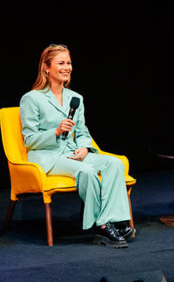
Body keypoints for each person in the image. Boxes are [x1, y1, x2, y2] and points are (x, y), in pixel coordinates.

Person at [19, 44, 134, 248]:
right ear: (46, 68)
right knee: (87, 171)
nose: (67, 67)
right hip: (48, 156)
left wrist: (84, 148)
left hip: (73, 152)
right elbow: (29, 140)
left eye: (69, 63)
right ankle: (102, 226)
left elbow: (82, 132)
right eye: (61, 63)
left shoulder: (76, 98)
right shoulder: (32, 98)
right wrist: (55, 131)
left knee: (114, 164)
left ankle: (113, 220)